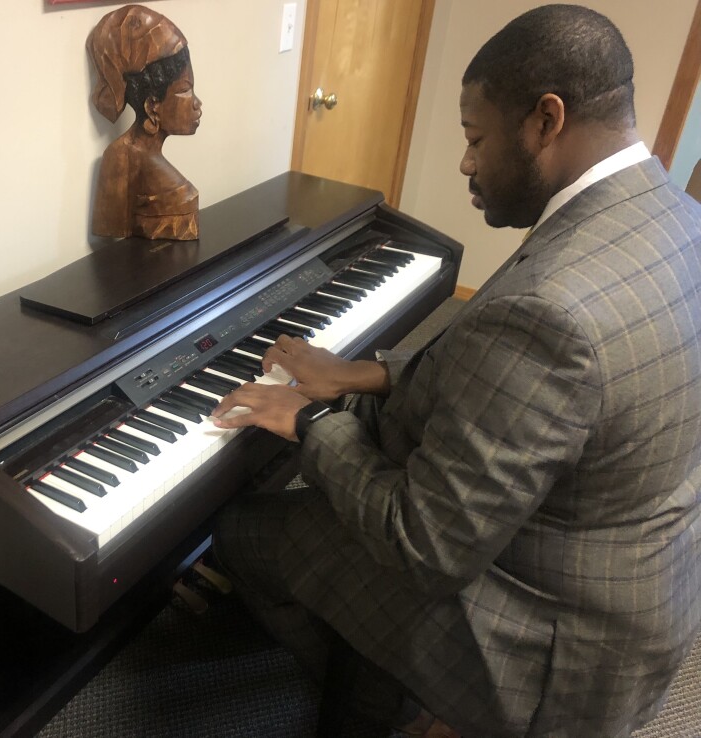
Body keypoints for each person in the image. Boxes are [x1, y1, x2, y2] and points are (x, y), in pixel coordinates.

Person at [210, 5, 701, 737]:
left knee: (243, 529)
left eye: (476, 138)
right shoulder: (670, 214)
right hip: (634, 587)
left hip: (548, 644)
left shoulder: (556, 308)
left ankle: (387, 698)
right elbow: (524, 383)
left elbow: (424, 545)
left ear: (546, 120)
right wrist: (369, 376)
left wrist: (310, 420)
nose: (467, 163)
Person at [87, 5, 202, 240]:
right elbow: (113, 244)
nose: (197, 103)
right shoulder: (120, 157)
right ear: (152, 106)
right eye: (185, 90)